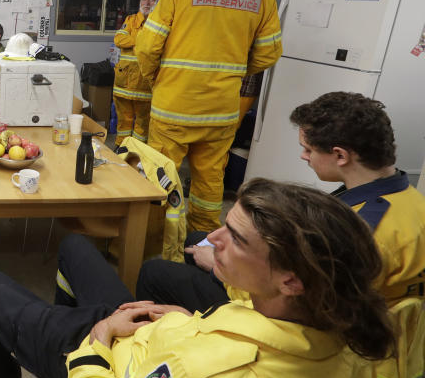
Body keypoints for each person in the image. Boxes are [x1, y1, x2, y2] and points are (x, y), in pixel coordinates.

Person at [0, 179, 394, 378]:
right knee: (75, 246)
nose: (213, 239)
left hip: (101, 365)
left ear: (292, 281)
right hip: (152, 332)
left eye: (236, 239)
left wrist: (96, 344)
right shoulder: (343, 337)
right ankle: (57, 324)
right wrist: (193, 321)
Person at [137, 91, 425, 310]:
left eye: (308, 149)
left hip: (292, 319)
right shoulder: (406, 200)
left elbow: (296, 305)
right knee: (201, 238)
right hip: (327, 293)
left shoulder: (361, 232)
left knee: (154, 271)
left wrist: (221, 270)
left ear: (340, 155)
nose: (304, 156)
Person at [136, 0, 282, 232]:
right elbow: (269, 53)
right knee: (210, 180)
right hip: (221, 110)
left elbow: (147, 46)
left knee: (160, 175)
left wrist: (155, 79)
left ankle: (148, 241)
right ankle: (201, 240)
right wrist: (233, 71)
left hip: (174, 104)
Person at [112, 0, 159, 146]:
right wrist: (142, 40)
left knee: (142, 124)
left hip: (144, 85)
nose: (147, 3)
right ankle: (120, 149)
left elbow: (156, 46)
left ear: (158, 1)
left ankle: (136, 153)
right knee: (123, 121)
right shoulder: (131, 20)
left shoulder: (161, 23)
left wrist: (133, 38)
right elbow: (119, 40)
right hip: (123, 83)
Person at [238, 0, 276, 118]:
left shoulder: (263, 20)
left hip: (243, 89)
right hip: (232, 87)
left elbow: (266, 56)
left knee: (224, 131)